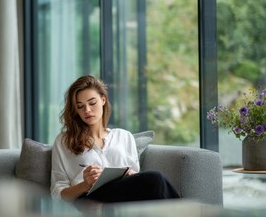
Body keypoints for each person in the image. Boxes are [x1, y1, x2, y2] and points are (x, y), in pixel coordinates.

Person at [50, 75, 180, 204]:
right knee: (155, 178)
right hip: (89, 199)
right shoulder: (64, 141)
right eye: (80, 106)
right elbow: (57, 194)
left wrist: (130, 174)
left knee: (154, 183)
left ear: (103, 100)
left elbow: (137, 181)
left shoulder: (124, 136)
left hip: (124, 195)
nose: (87, 110)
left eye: (92, 103)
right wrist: (85, 184)